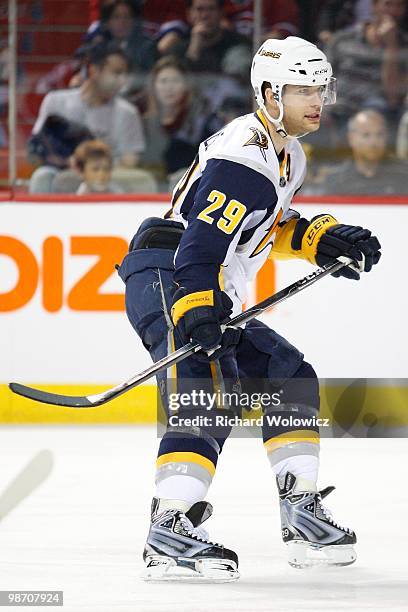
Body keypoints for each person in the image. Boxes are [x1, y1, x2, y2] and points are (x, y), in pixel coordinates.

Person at [118, 36, 381, 581]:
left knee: (288, 375)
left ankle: (300, 511)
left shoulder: (288, 153)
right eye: (302, 88)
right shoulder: (245, 154)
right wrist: (197, 309)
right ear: (269, 92)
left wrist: (321, 240)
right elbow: (199, 248)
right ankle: (170, 526)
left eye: (320, 88)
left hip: (195, 274)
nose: (316, 99)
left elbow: (257, 227)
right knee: (209, 387)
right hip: (172, 272)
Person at [29, 43, 145, 193]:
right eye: (116, 73)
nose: (122, 81)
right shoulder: (55, 101)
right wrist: (66, 162)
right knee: (43, 176)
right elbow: (37, 148)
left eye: (125, 74)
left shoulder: (128, 112)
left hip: (108, 175)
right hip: (63, 171)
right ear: (93, 71)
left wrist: (97, 168)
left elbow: (130, 160)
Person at [140, 57, 209, 189]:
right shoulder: (144, 123)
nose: (169, 88)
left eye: (175, 81)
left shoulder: (199, 123)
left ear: (186, 85)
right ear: (153, 86)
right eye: (163, 81)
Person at [319, 109, 408, 194]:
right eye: (366, 135)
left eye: (379, 134)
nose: (374, 142)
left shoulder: (403, 176)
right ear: (351, 138)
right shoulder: (335, 180)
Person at [156, 0, 251, 74]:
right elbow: (176, 82)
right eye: (199, 9)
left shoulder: (239, 43)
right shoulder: (177, 50)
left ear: (221, 13)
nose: (205, 15)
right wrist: (194, 49)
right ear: (189, 14)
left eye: (211, 9)